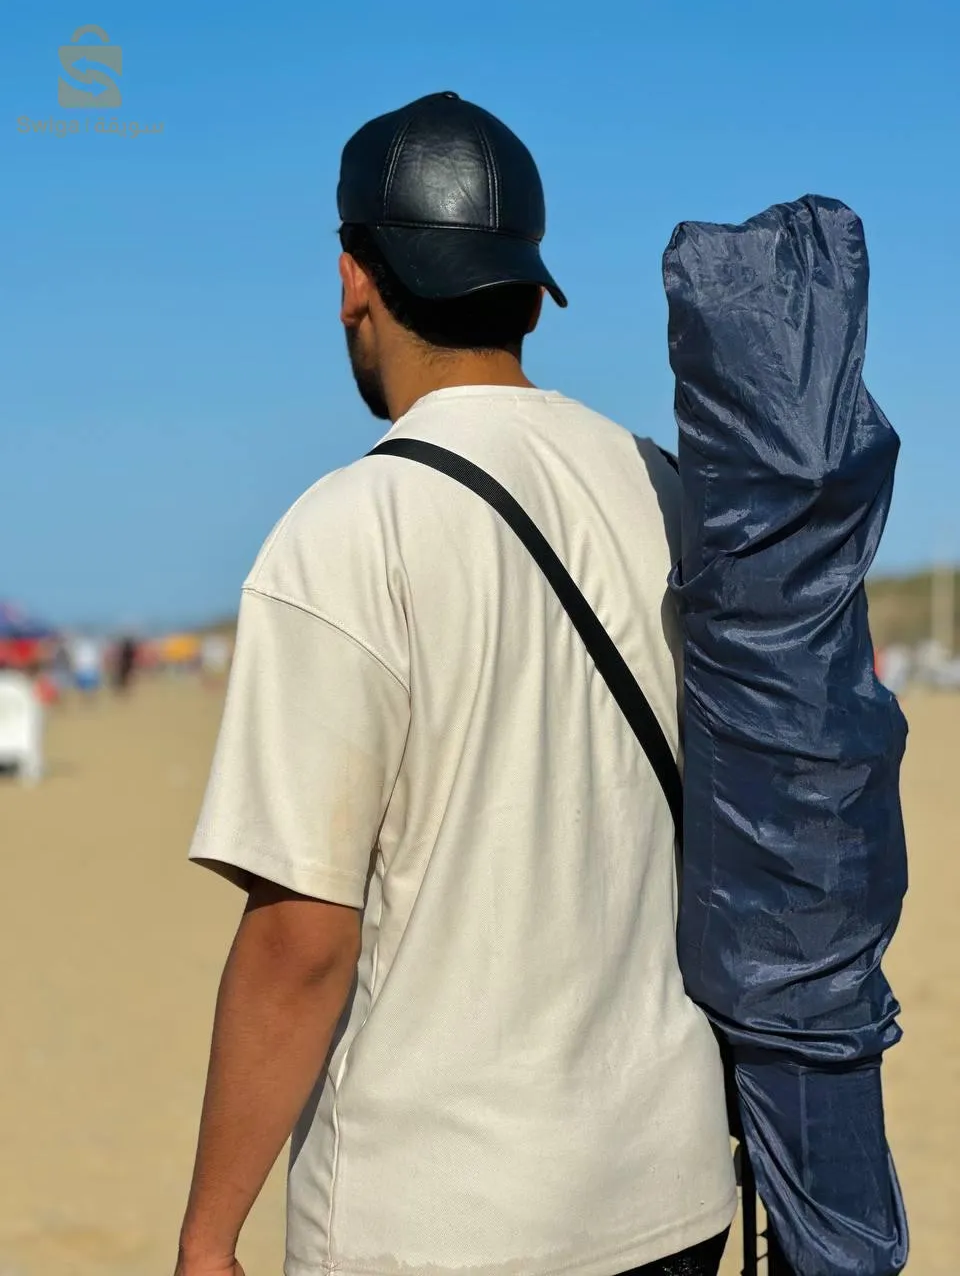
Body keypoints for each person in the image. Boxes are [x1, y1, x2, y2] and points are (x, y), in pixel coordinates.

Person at [176, 92, 736, 1276]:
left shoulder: (347, 528)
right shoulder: (664, 489)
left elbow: (301, 935)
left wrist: (206, 1234)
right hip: (673, 1185)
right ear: (533, 291)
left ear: (351, 282)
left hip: (437, 1217)